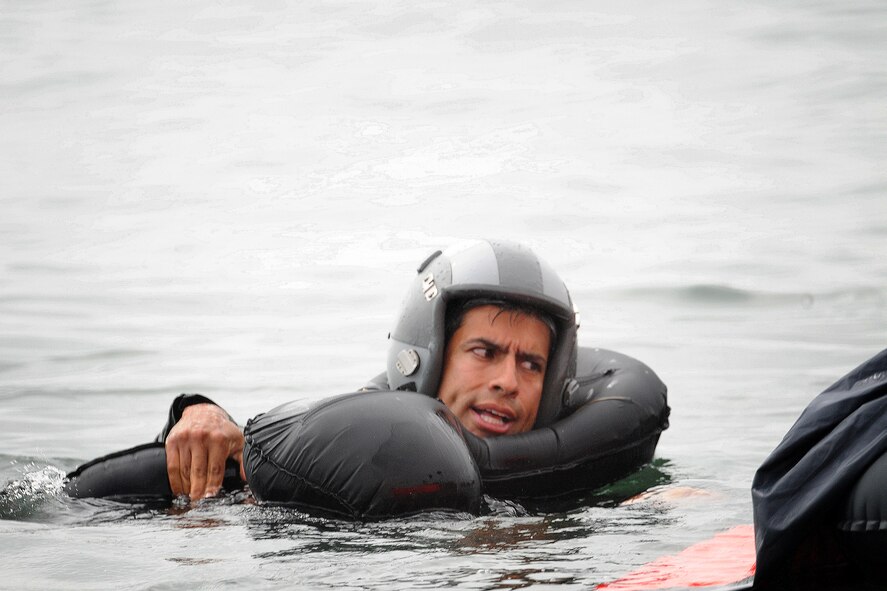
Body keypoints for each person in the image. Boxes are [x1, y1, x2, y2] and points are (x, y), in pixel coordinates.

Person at [163, 239, 579, 500]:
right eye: (484, 352)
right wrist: (198, 412)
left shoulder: (581, 480)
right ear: (430, 357)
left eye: (531, 364)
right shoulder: (348, 454)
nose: (508, 381)